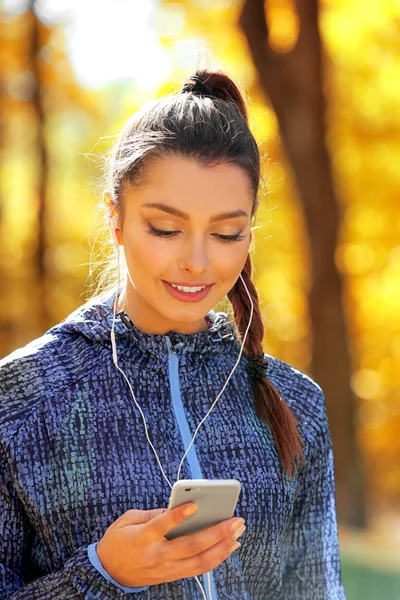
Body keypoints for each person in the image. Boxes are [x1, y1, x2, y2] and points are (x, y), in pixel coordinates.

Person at [0, 69, 347, 599]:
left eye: (227, 233)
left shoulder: (295, 402)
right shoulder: (23, 399)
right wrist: (100, 573)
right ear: (114, 219)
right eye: (165, 229)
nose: (197, 261)